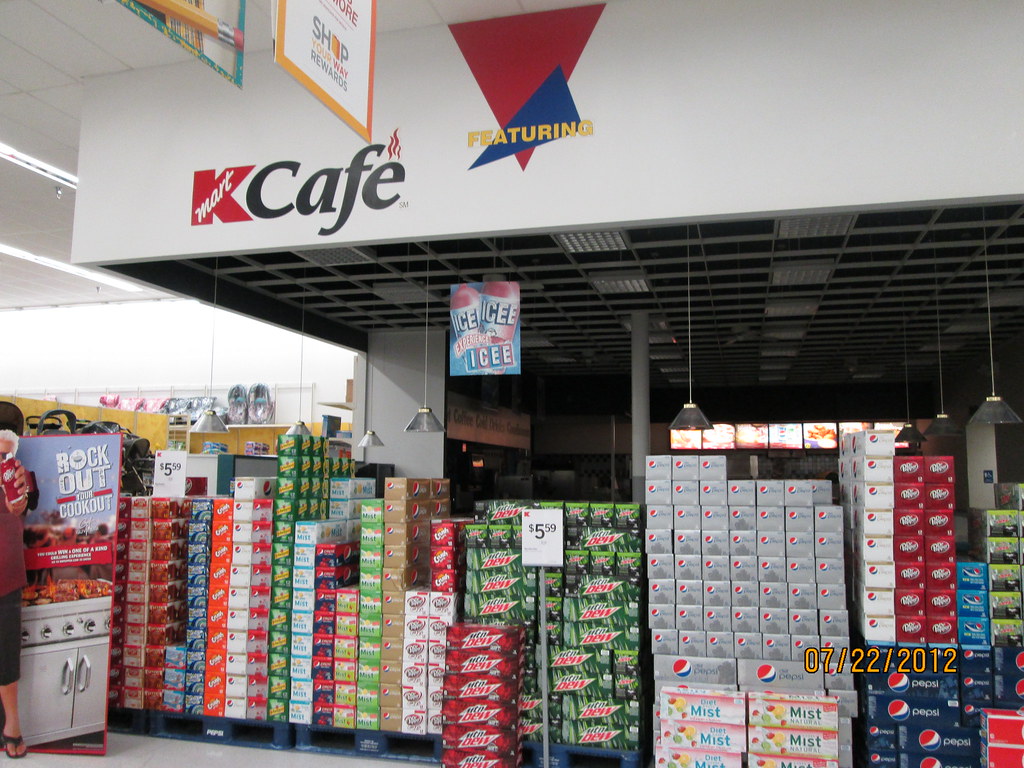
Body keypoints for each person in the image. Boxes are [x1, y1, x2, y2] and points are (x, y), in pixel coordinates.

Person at [0, 402, 29, 759]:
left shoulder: (17, 473)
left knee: (6, 652)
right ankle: (12, 730)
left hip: (5, 570)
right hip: (6, 567)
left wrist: (17, 498)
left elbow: (21, 504)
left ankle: (12, 727)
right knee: (5, 651)